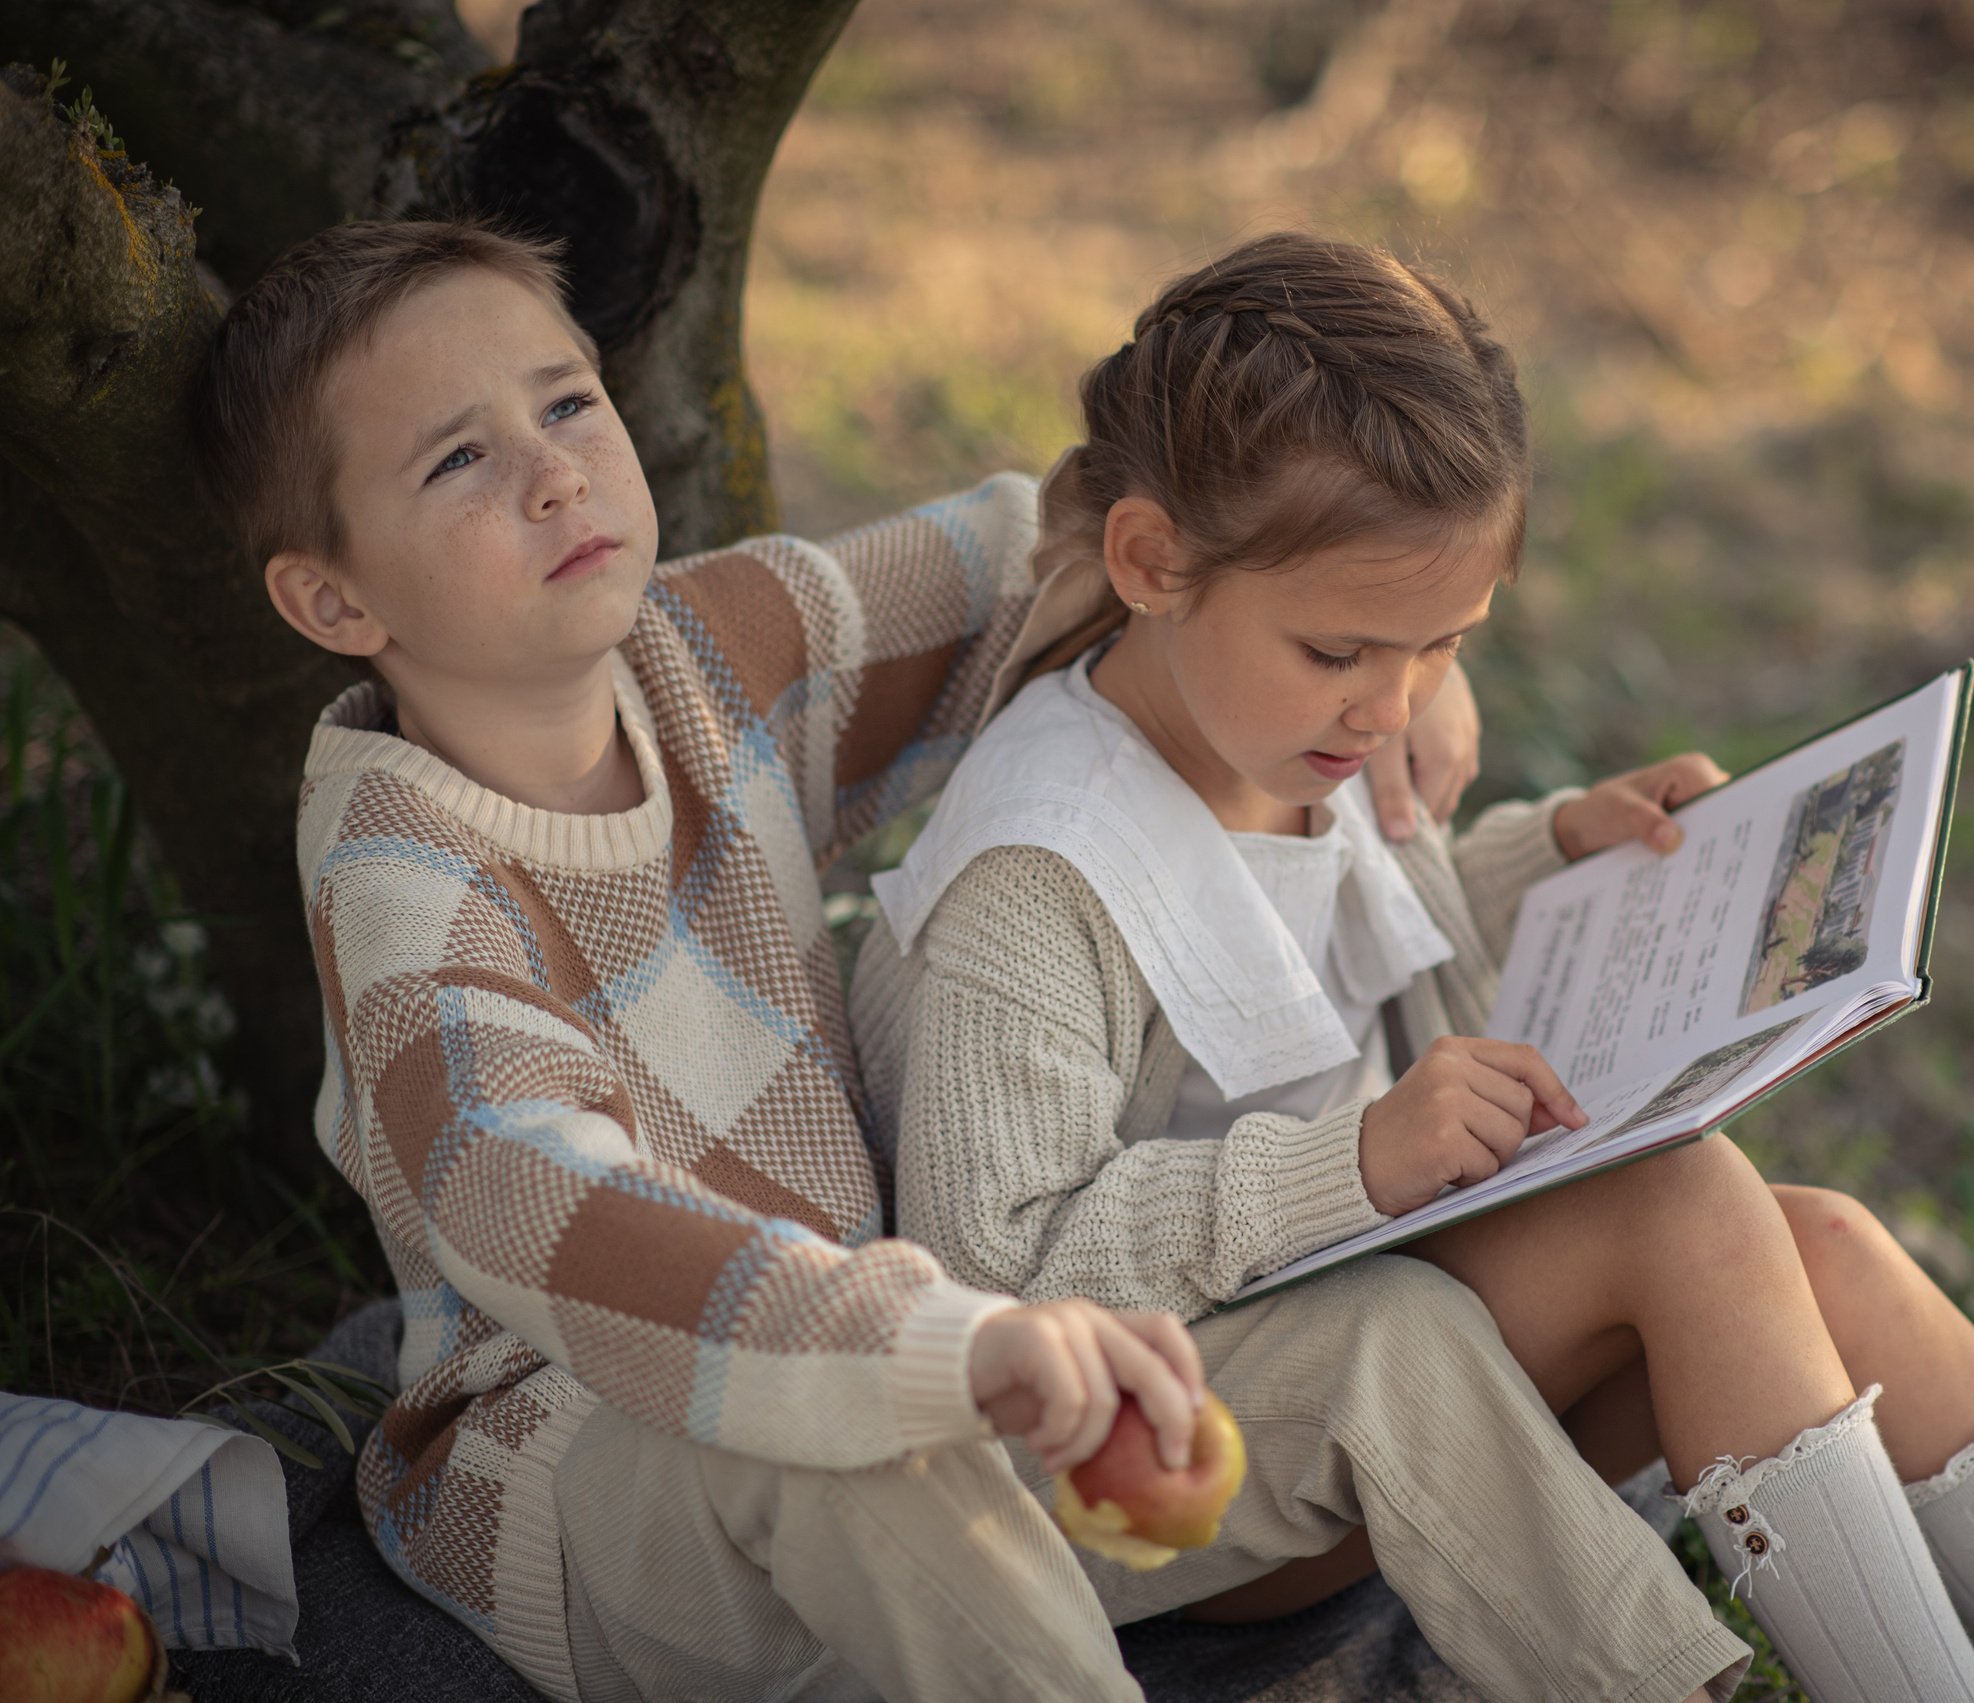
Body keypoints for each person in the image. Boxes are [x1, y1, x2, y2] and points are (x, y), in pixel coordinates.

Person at [855, 232, 1974, 1703]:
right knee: (1691, 1204)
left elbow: (1300, 937)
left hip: (1326, 1349)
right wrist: (1359, 1162)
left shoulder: (1268, 717)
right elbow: (998, 1265)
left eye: (1446, 648)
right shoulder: (1039, 873)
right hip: (1158, 1478)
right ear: (1151, 564)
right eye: (1346, 650)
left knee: (1818, 1247)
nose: (1394, 707)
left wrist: (1557, 851)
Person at [192, 217, 1330, 1703]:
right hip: (574, 1468)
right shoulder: (403, 887)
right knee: (856, 1452)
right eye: (457, 462)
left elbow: (1057, 545)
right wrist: (938, 1341)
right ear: (336, 602)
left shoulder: (703, 649)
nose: (553, 472)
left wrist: (1342, 618)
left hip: (870, 1350)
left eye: (566, 402)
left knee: (1372, 1347)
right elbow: (553, 1200)